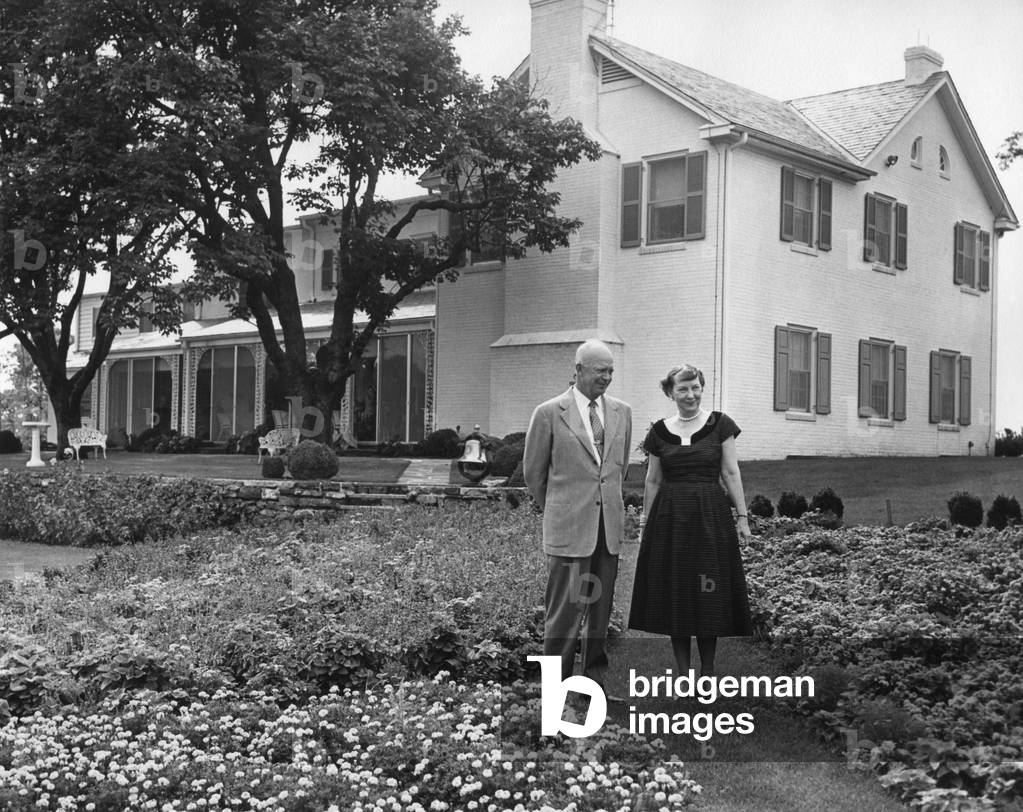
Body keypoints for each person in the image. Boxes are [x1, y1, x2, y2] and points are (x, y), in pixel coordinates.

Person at [524, 339, 633, 699]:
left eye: (611, 371)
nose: (607, 377)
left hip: (607, 533)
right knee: (564, 617)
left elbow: (617, 471)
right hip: (569, 532)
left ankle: (593, 688)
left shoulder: (621, 412)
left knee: (600, 617)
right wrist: (561, 509)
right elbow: (533, 474)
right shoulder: (549, 413)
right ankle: (554, 692)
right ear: (579, 370)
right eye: (601, 370)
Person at [629, 364, 752, 677]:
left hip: (710, 517)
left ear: (702, 387)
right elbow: (653, 481)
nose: (690, 394)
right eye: (682, 389)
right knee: (677, 593)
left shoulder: (721, 425)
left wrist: (742, 516)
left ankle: (708, 671)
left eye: (695, 387)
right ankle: (683, 673)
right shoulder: (658, 432)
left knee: (708, 592)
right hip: (670, 521)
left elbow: (730, 471)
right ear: (671, 392)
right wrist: (645, 523)